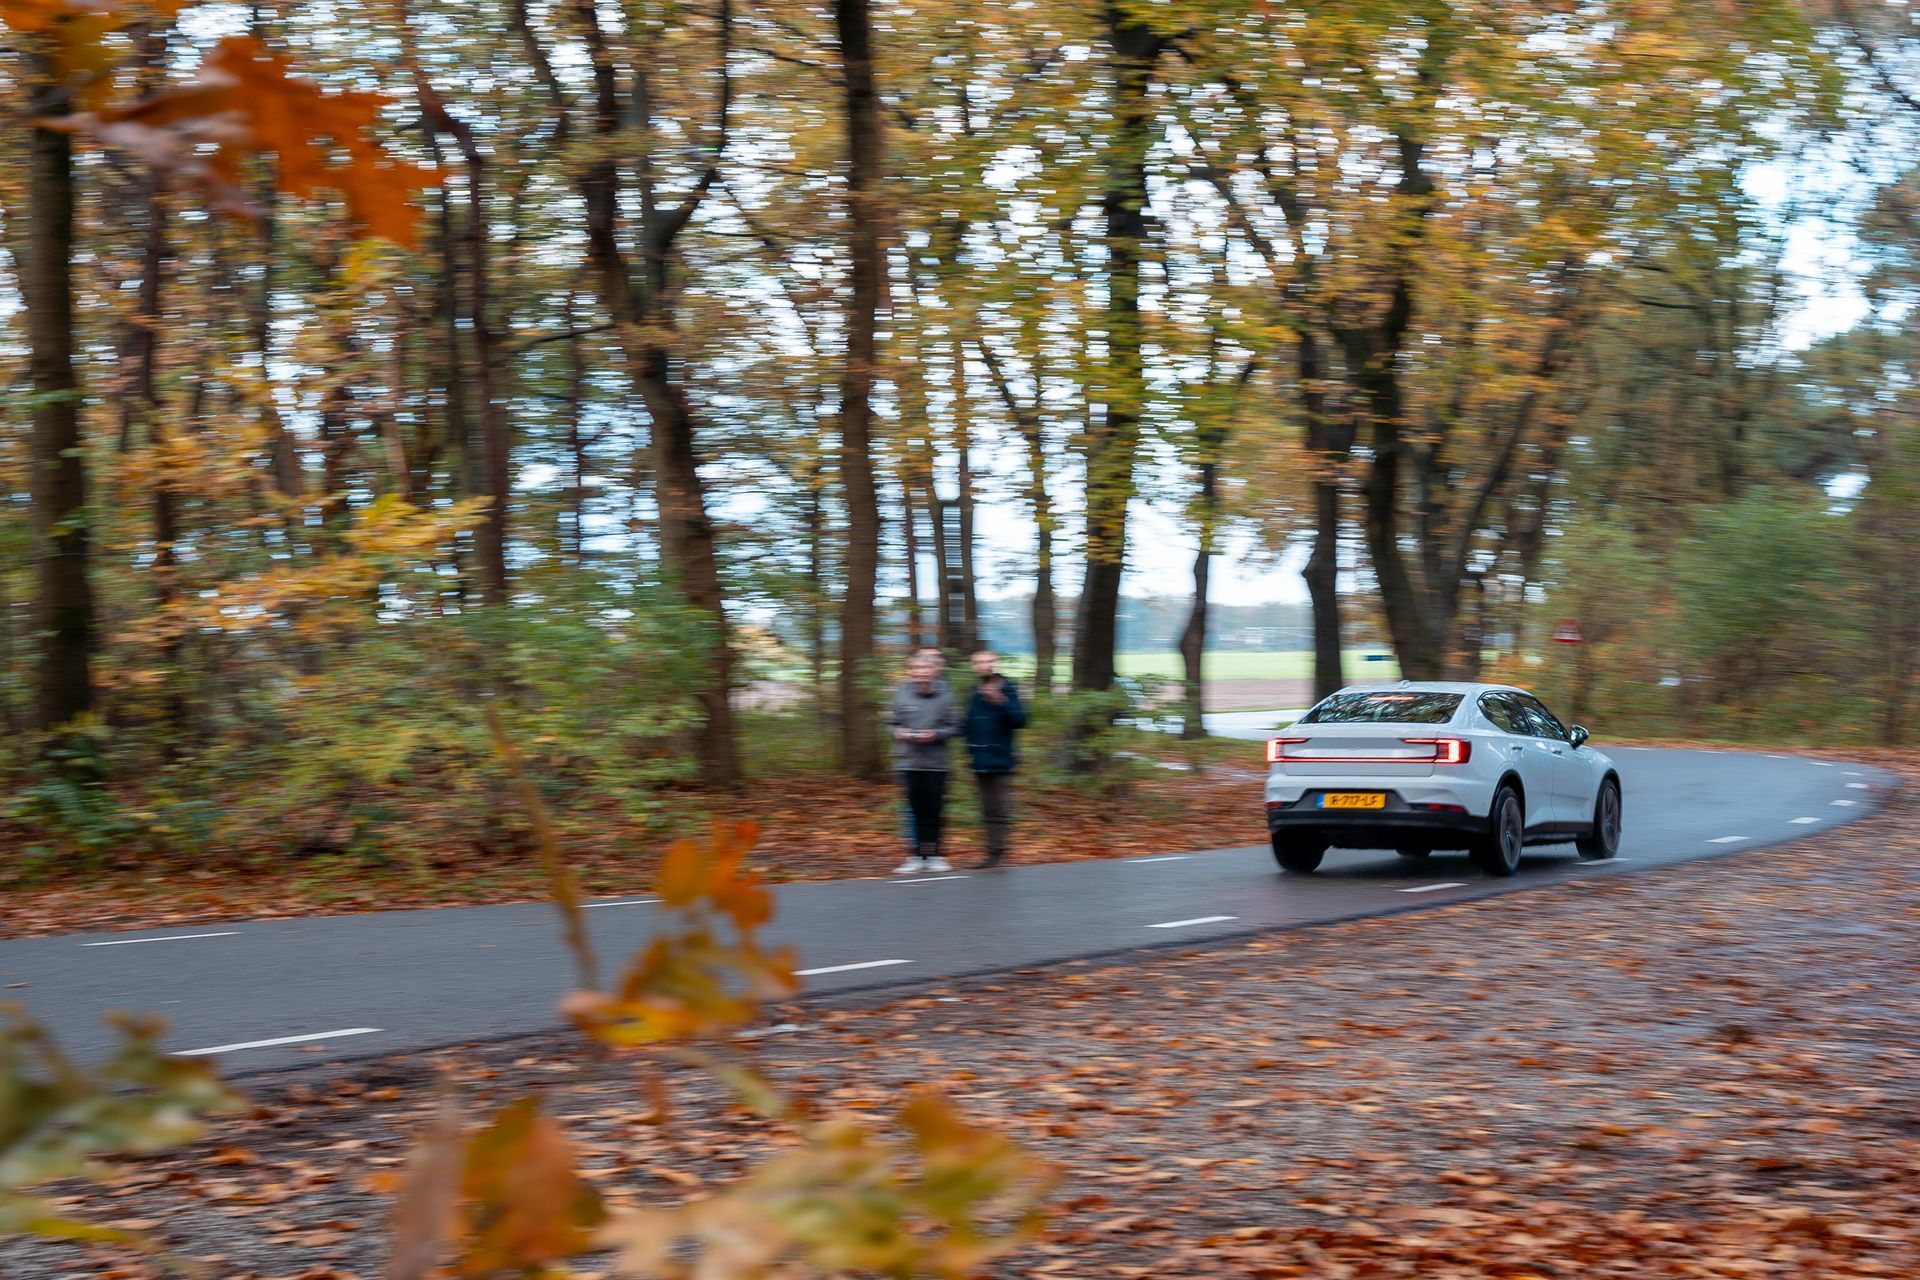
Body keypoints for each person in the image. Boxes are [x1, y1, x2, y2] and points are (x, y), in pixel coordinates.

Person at [889, 653, 961, 874]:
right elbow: (891, 723)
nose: (920, 672)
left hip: (936, 763)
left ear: (934, 671)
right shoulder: (901, 693)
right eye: (916, 668)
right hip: (908, 762)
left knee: (934, 811)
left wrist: (935, 734)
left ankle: (934, 854)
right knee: (913, 811)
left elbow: (957, 727)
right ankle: (914, 856)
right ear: (910, 671)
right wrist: (898, 732)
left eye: (925, 668)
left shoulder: (945, 695)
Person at [963, 650, 1028, 868]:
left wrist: (1002, 701)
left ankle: (997, 854)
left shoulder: (1008, 688)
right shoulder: (973, 691)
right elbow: (968, 724)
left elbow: (1020, 720)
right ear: (974, 666)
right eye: (980, 662)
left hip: (1001, 758)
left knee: (999, 808)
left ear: (995, 663)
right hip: (979, 759)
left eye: (989, 661)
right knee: (987, 808)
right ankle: (990, 853)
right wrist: (969, 750)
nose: (985, 665)